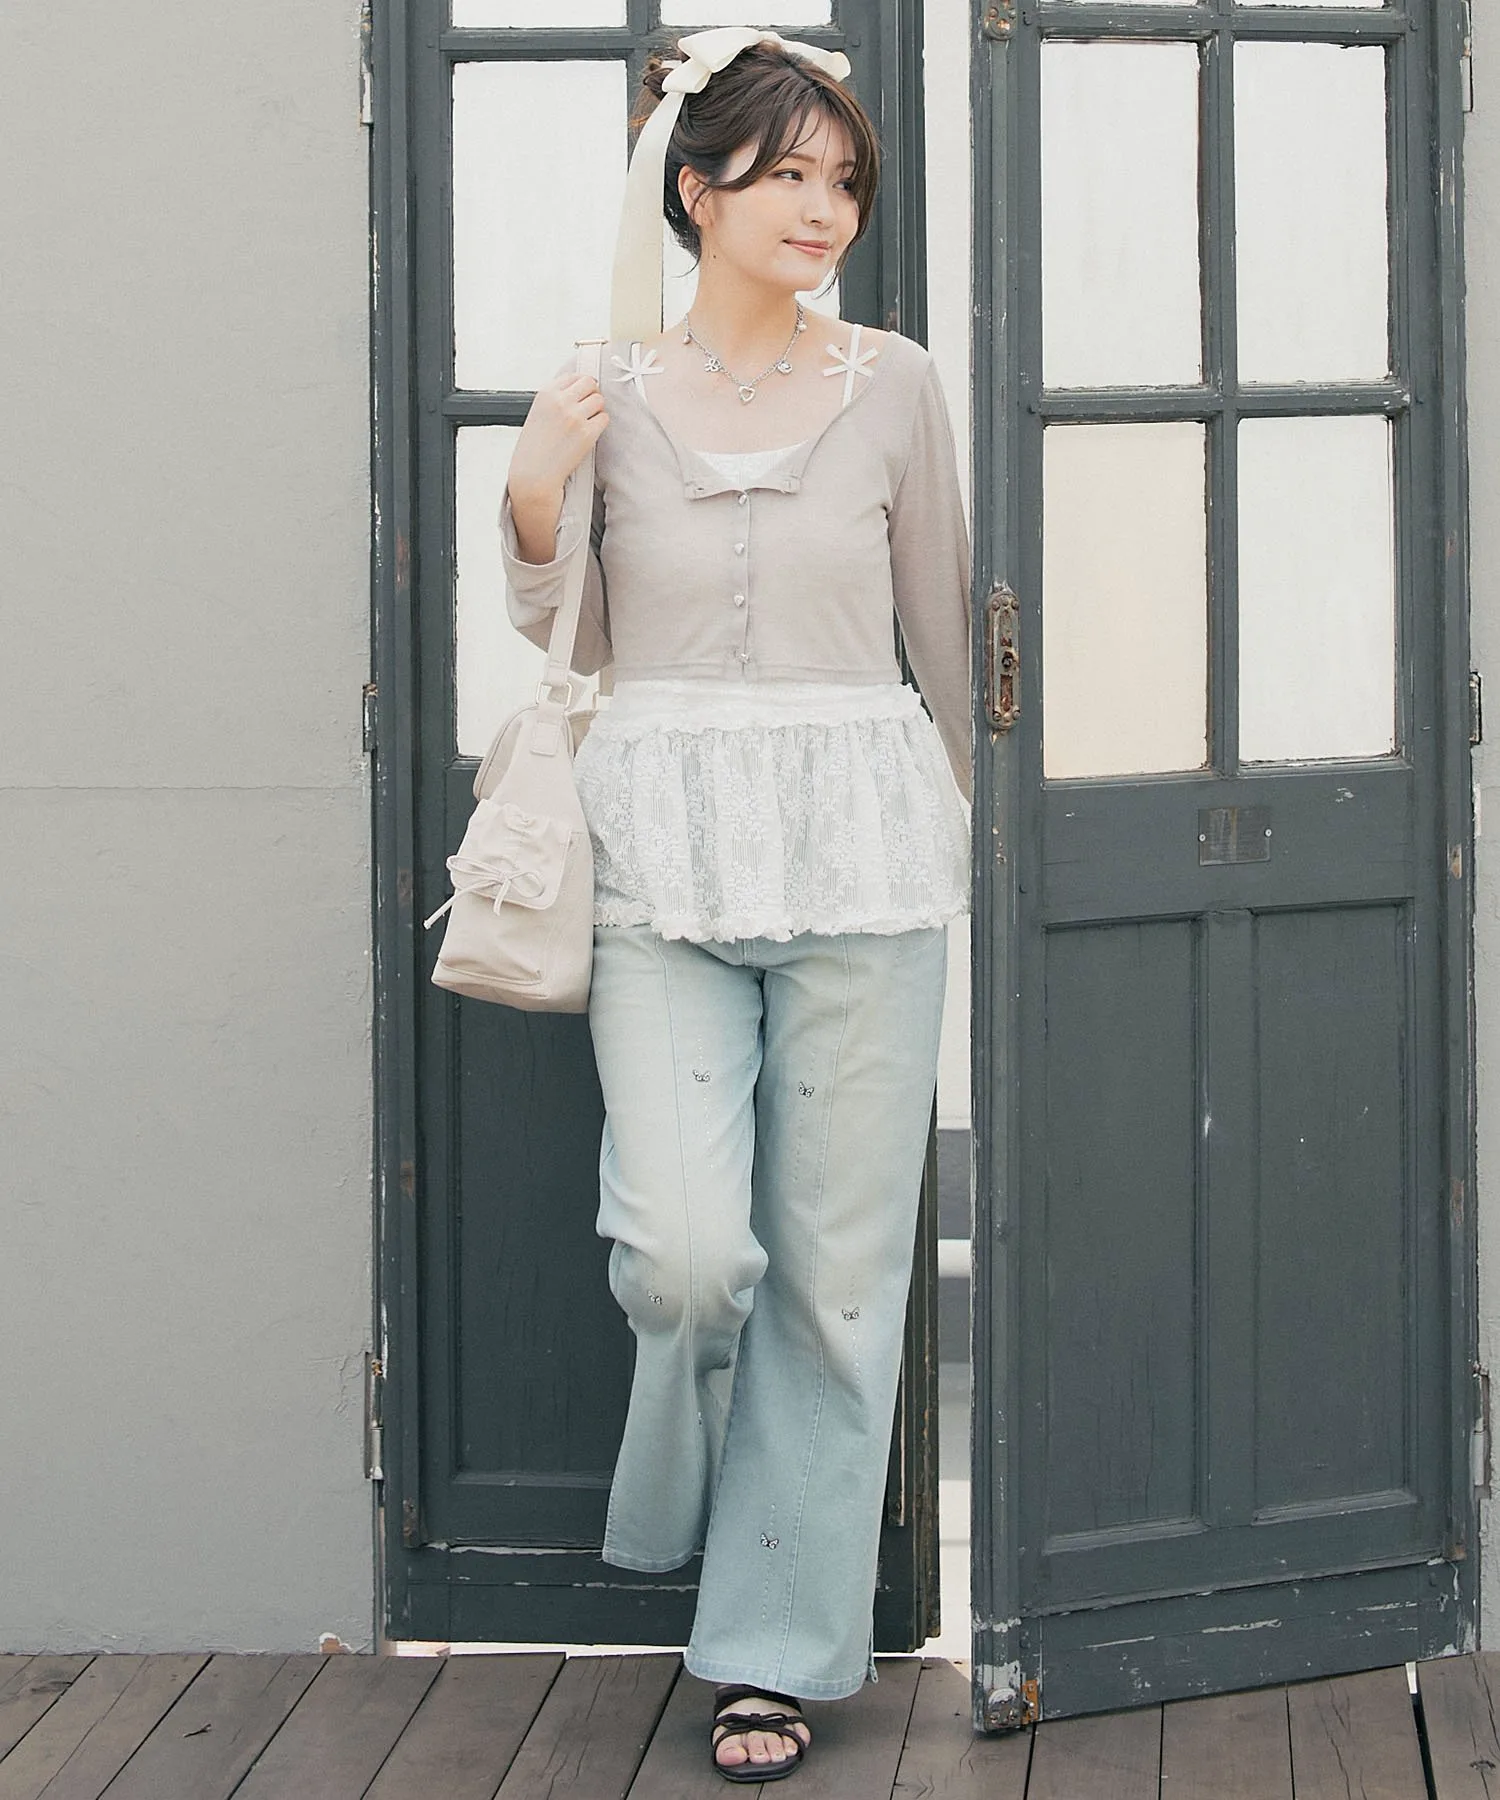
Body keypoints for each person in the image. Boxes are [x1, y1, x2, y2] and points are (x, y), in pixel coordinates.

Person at [500, 26, 971, 1784]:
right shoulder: (604, 387)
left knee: (838, 1288)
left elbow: (943, 623)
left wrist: (999, 839)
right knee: (690, 1260)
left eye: (842, 179)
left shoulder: (898, 384)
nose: (822, 208)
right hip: (662, 858)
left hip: (864, 852)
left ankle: (768, 1649)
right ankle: (673, 1516)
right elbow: (570, 633)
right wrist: (534, 487)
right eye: (784, 175)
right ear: (693, 190)